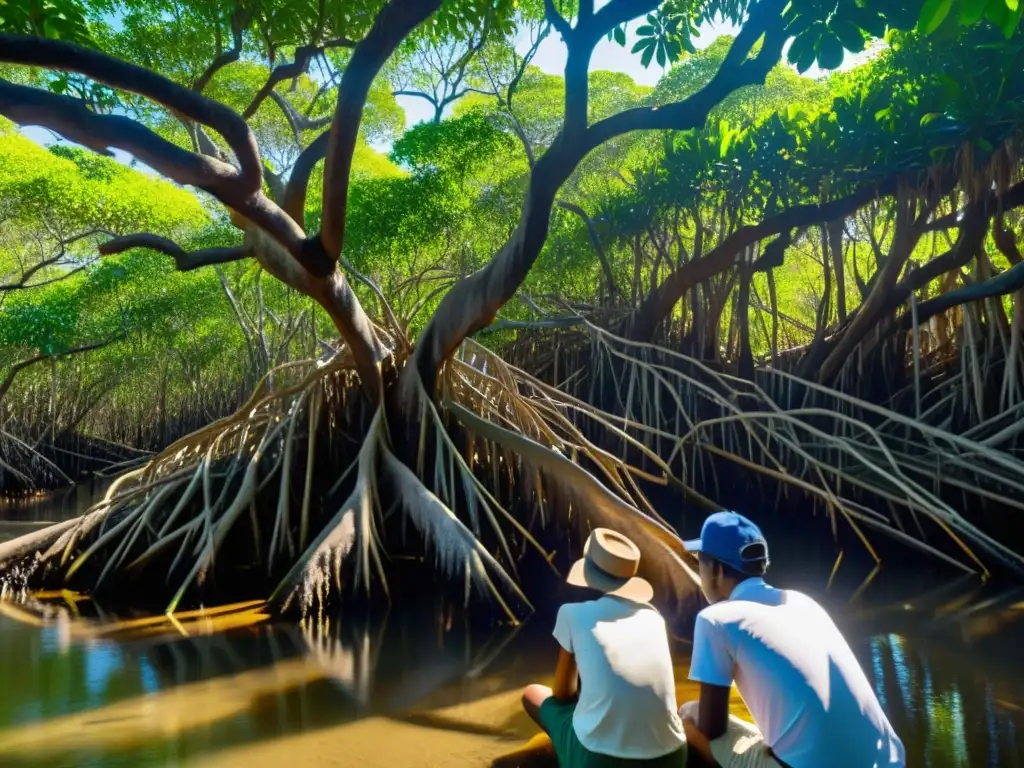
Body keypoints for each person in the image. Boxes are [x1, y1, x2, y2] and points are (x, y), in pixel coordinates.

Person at [679, 511, 906, 768]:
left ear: (716, 569)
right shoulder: (804, 602)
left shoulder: (715, 619)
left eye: (700, 561)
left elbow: (712, 727)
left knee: (687, 718)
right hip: (890, 762)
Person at [520, 527, 688, 767]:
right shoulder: (654, 617)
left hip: (599, 760)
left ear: (587, 573)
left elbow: (562, 694)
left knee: (533, 694)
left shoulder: (571, 613)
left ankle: (567, 752)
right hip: (672, 756)